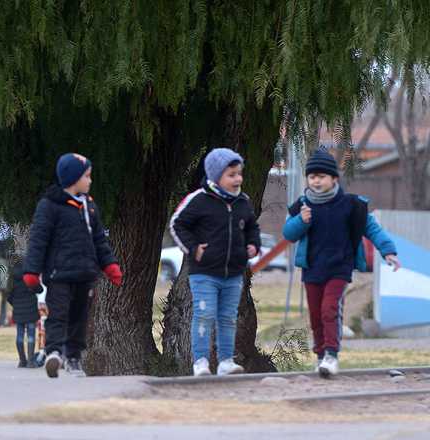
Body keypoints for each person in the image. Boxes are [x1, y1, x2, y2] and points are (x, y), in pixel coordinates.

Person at [282, 148, 401, 377]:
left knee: (329, 309)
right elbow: (288, 234)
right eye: (312, 176)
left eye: (322, 176)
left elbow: (372, 228)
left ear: (334, 179)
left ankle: (331, 355)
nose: (316, 181)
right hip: (312, 269)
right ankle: (320, 357)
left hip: (339, 267)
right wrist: (301, 221)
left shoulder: (350, 205)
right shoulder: (302, 206)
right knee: (316, 315)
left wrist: (388, 251)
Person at [23, 153, 122, 378]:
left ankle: (74, 357)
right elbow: (38, 239)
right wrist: (31, 270)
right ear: (73, 178)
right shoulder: (49, 205)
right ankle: (54, 353)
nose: (90, 180)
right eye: (87, 176)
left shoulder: (89, 206)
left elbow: (99, 240)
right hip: (58, 274)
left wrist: (110, 265)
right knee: (57, 314)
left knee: (79, 317)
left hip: (85, 273)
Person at [170, 148, 260, 377]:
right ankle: (200, 362)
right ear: (215, 176)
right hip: (204, 273)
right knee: (205, 314)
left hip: (234, 273)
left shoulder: (243, 201)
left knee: (228, 318)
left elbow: (252, 227)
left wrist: (253, 244)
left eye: (239, 174)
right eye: (231, 175)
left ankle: (226, 362)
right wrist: (193, 248)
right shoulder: (198, 200)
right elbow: (177, 224)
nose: (238, 179)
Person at [6, 258, 39, 368]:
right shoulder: (29, 276)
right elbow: (39, 289)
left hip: (18, 311)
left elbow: (8, 296)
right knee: (31, 335)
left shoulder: (12, 280)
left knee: (19, 336)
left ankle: (22, 360)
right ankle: (30, 361)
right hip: (31, 310)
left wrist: (15, 304)